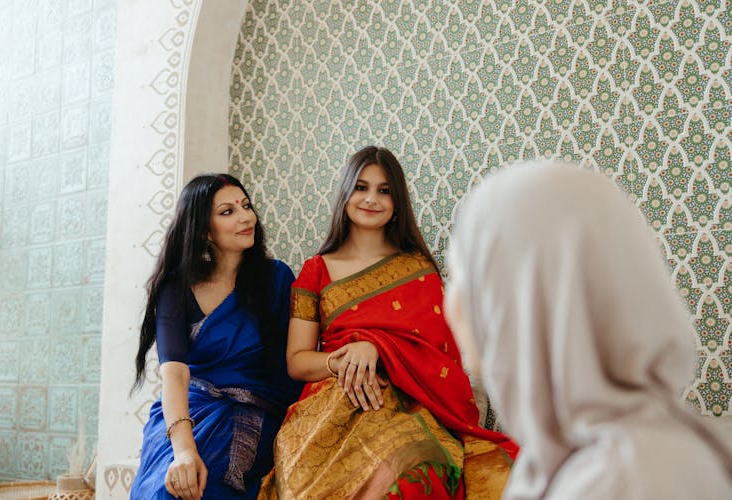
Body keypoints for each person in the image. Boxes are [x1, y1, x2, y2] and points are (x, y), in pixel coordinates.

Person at [444, 160, 732, 499]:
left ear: (522, 303)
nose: (451, 301)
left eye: (463, 273)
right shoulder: (569, 458)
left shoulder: (623, 481)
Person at [258, 146, 517, 499]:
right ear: (346, 193)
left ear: (397, 203)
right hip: (329, 407)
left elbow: (439, 356)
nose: (371, 199)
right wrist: (345, 357)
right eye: (361, 187)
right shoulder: (315, 271)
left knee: (415, 475)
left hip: (406, 405)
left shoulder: (417, 269)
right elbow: (297, 361)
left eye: (384, 191)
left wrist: (378, 348)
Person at [130, 174, 302, 500]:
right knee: (164, 489)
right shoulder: (176, 286)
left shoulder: (276, 278)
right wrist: (182, 451)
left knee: (206, 486)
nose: (245, 217)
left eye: (246, 206)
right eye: (227, 211)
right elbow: (175, 373)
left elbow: (289, 365)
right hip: (190, 411)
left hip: (254, 410)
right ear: (204, 230)